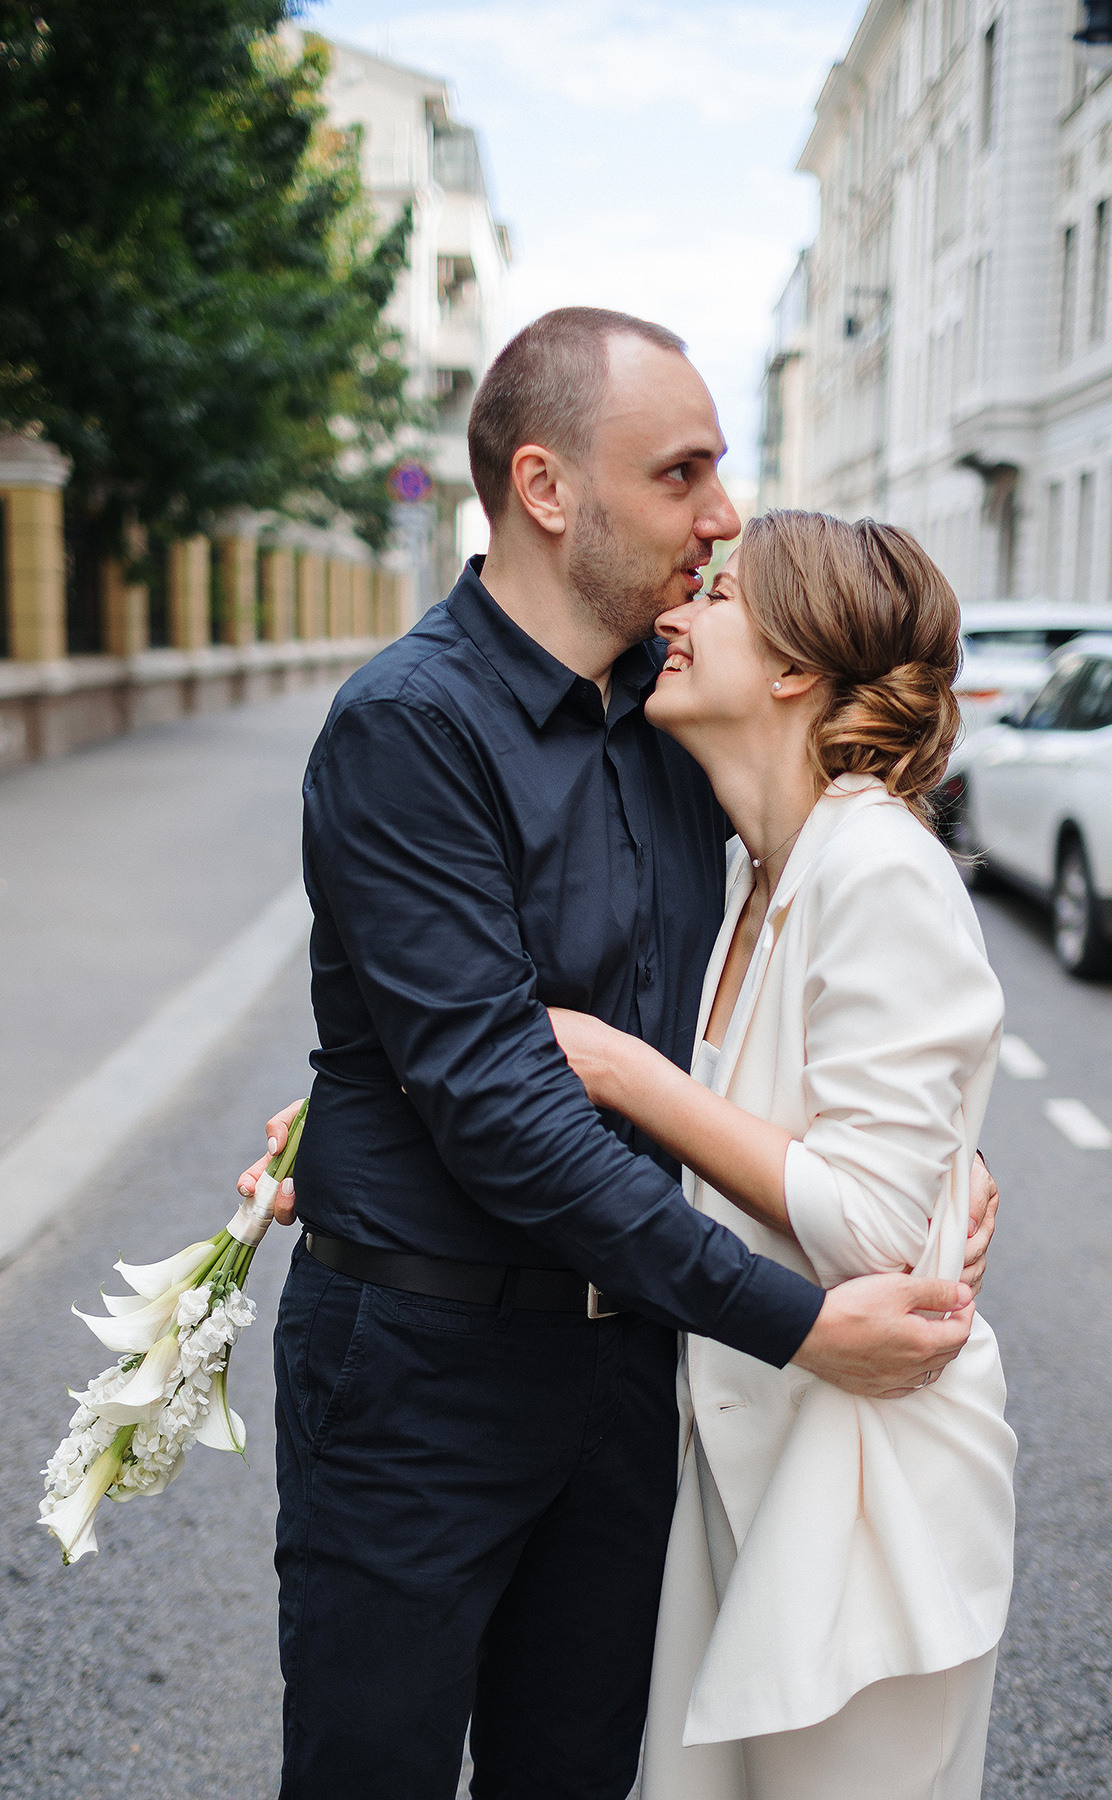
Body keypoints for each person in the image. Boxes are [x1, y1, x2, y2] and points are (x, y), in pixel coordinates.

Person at [235, 309, 999, 1800]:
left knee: (577, 1774)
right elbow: (505, 1104)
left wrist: (936, 1165)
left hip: (631, 1368)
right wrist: (794, 1317)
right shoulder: (410, 726)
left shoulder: (673, 731)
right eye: (682, 475)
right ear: (545, 489)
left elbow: (821, 998)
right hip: (422, 1364)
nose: (720, 518)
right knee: (367, 1771)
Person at [547, 512, 1017, 1800]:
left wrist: (618, 1067)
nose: (674, 616)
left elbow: (868, 1222)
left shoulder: (877, 869)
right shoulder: (757, 875)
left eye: (719, 596)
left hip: (868, 1496)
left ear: (797, 667)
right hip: (749, 1454)